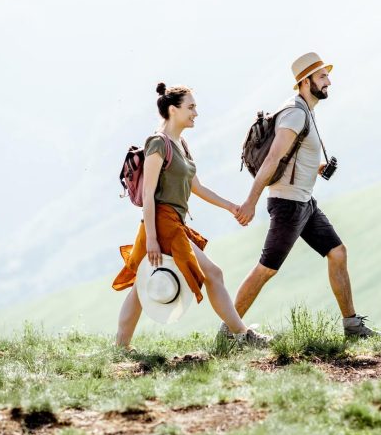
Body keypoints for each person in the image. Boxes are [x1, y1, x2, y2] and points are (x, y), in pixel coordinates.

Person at [231, 52, 381, 338]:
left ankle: (352, 326)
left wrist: (317, 168)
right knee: (266, 269)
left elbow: (293, 156)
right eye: (322, 76)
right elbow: (273, 158)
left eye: (327, 76)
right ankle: (229, 331)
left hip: (304, 202)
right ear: (305, 81)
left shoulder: (305, 110)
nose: (329, 82)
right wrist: (250, 202)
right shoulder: (295, 113)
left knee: (337, 252)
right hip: (288, 204)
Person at [113, 83, 271, 349]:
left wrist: (230, 206)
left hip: (173, 221)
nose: (196, 113)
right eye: (191, 107)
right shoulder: (157, 144)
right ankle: (242, 336)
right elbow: (149, 195)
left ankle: (121, 347)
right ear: (173, 110)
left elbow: (197, 187)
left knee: (140, 284)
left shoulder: (181, 144)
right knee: (213, 273)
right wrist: (152, 238)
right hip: (161, 222)